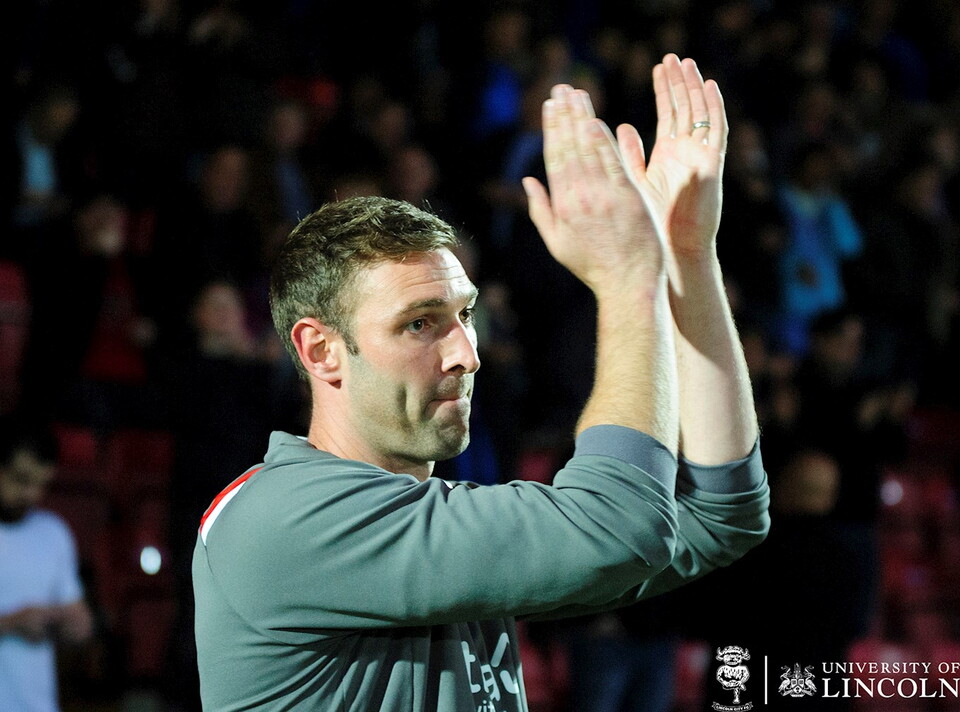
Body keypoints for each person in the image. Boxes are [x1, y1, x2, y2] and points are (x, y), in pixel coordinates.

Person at [193, 54, 770, 711]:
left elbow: (722, 515)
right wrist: (628, 275)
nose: (466, 355)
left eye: (465, 316)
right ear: (321, 351)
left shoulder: (430, 521)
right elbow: (624, 523)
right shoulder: (284, 519)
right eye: (419, 324)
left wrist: (687, 254)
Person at [0, 424, 94, 712]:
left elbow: (79, 621)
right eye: (21, 479)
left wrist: (73, 625)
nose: (31, 494)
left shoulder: (54, 532)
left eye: (41, 484)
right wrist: (11, 623)